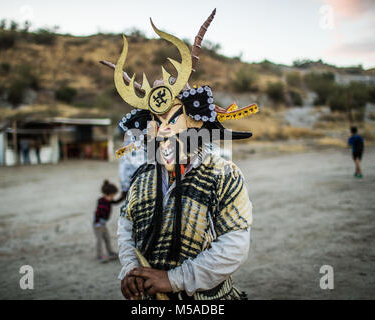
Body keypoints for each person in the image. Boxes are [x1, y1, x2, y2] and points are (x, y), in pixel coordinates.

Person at [101, 9, 259, 300]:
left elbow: (234, 244)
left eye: (172, 120)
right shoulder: (142, 177)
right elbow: (126, 226)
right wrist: (131, 272)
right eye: (156, 122)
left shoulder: (224, 174)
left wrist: (173, 280)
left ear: (195, 122)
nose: (163, 131)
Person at [93, 180, 124, 261]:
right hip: (98, 224)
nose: (113, 198)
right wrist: (97, 223)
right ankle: (99, 256)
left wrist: (123, 196)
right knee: (99, 240)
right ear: (107, 194)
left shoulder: (109, 201)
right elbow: (97, 213)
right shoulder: (101, 201)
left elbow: (116, 202)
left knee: (107, 238)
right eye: (112, 196)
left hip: (103, 224)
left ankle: (110, 252)